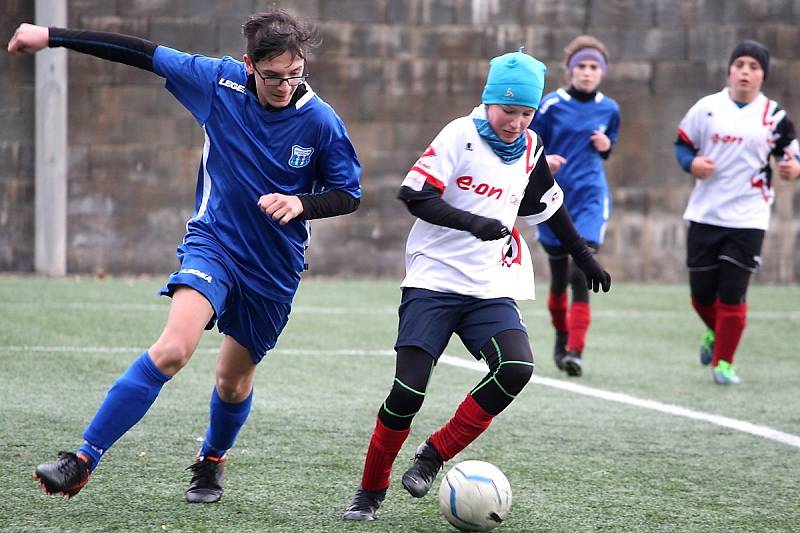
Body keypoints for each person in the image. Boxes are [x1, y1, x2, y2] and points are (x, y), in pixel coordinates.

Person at [7, 9, 361, 502]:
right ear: (248, 65)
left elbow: (349, 193)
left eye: (295, 74)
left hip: (273, 268)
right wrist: (52, 36)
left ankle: (212, 460)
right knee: (173, 348)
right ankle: (84, 457)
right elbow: (140, 52)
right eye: (272, 76)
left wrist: (302, 202)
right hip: (213, 244)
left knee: (232, 383)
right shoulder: (219, 83)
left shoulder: (321, 121)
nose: (285, 86)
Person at [342, 48, 611, 521]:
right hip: (433, 281)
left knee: (516, 368)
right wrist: (474, 223)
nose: (516, 121)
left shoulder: (530, 147)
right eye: (509, 110)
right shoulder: (460, 135)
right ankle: (369, 491)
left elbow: (550, 205)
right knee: (407, 393)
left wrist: (585, 257)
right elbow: (414, 195)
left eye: (526, 112)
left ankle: (433, 455)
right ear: (490, 101)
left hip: (488, 286)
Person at [674, 39, 800, 384]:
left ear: (763, 76)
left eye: (754, 67)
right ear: (730, 69)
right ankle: (717, 335)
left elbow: (791, 154)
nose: (745, 72)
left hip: (749, 218)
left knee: (732, 292)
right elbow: (682, 145)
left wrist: (793, 168)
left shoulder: (773, 116)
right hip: (705, 213)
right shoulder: (707, 108)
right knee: (701, 296)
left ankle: (724, 363)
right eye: (740, 64)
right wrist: (692, 163)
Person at [530, 35, 620, 377]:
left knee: (581, 271)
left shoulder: (610, 108)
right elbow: (531, 144)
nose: (586, 72)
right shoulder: (551, 105)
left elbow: (610, 145)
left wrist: (606, 145)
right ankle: (561, 335)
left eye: (593, 67)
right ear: (570, 70)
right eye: (581, 66)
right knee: (558, 278)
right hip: (552, 197)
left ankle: (576, 351)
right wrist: (545, 161)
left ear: (602, 72)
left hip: (591, 197)